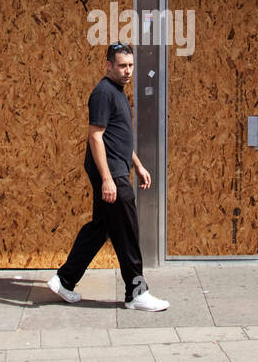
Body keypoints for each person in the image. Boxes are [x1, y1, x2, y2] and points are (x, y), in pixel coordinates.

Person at [48, 42, 168, 312]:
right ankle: (136, 292)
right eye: (122, 65)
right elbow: (95, 137)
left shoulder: (117, 92)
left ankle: (64, 280)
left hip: (118, 169)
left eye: (130, 65)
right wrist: (107, 179)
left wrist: (137, 164)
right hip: (112, 174)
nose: (127, 71)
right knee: (127, 231)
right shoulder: (103, 93)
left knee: (100, 228)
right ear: (109, 66)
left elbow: (119, 137)